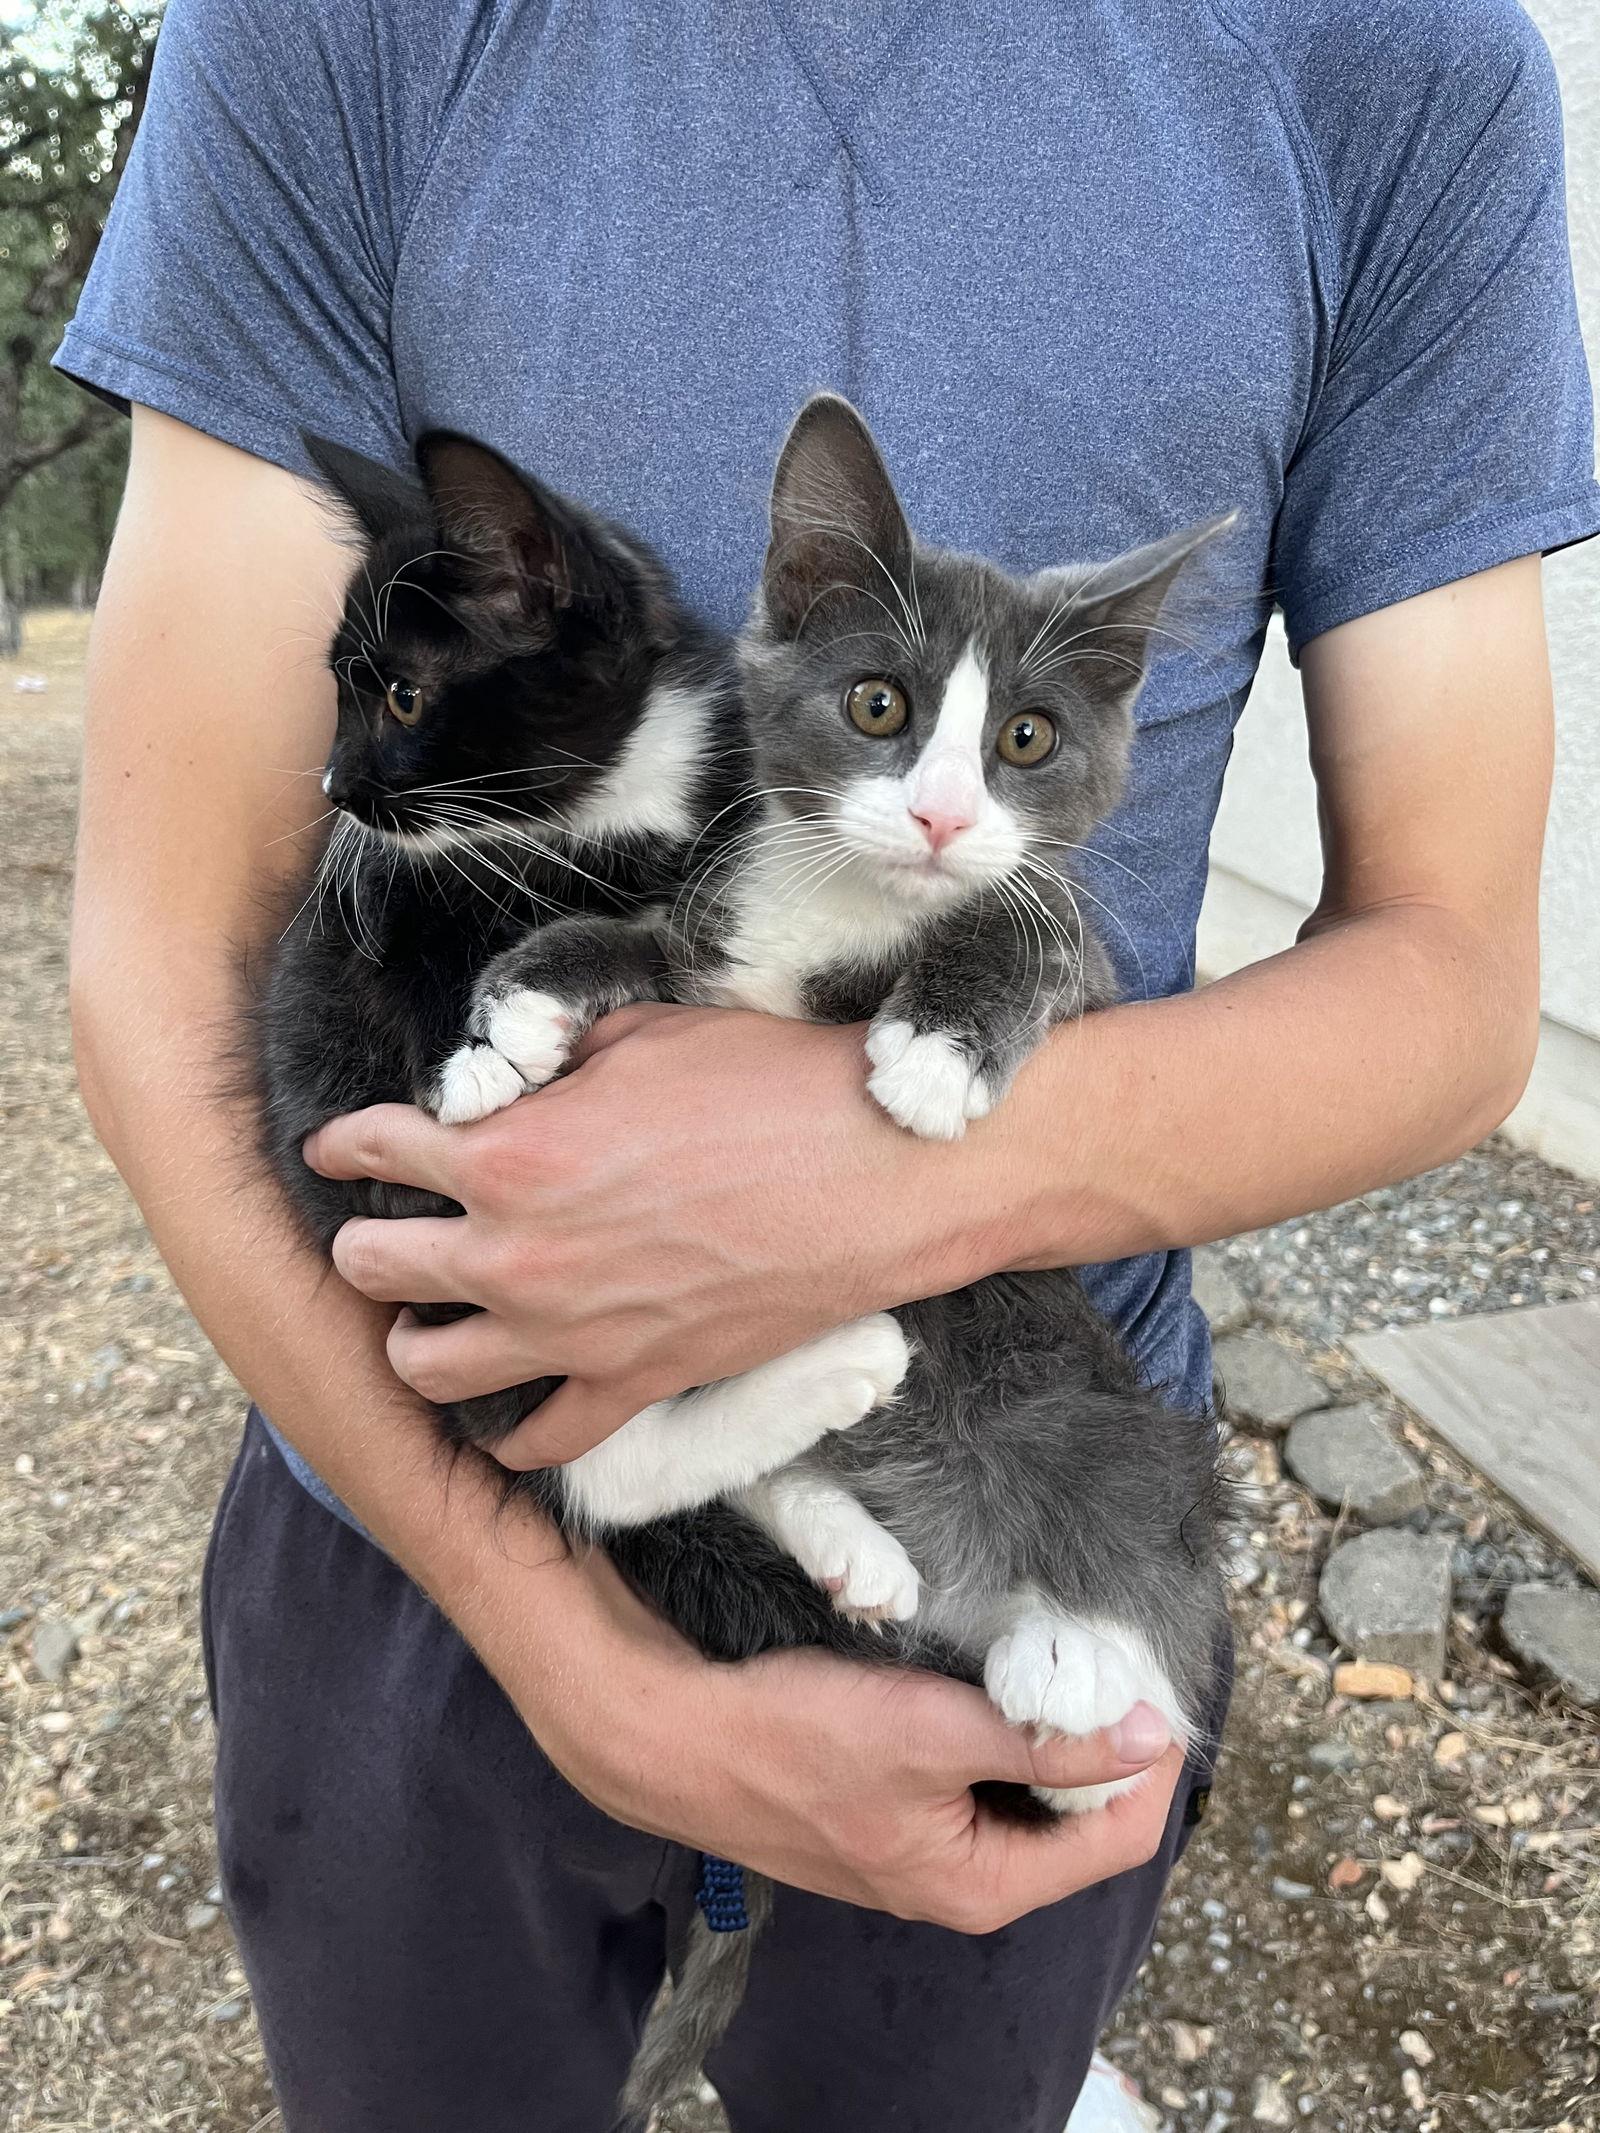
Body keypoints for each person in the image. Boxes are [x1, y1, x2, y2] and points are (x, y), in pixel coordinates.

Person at [60, 1, 1597, 2127]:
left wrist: (876, 1177)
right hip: (429, 1487)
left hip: (1021, 1470)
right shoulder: (345, 33)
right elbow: (168, 937)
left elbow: (1449, 981)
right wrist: (560, 1637)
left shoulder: (1394, 71)